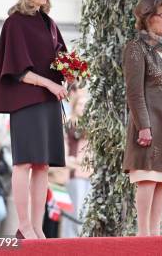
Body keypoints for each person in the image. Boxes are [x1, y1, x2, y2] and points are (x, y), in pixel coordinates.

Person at [0, 0, 68, 239]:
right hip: (26, 102)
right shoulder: (15, 24)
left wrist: (72, 71)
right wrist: (49, 83)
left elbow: (60, 59)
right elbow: (19, 71)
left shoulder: (49, 23)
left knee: (42, 164)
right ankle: (23, 225)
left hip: (47, 102)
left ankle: (36, 227)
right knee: (24, 162)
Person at [123, 0, 162, 236]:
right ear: (148, 18)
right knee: (147, 177)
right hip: (149, 122)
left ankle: (154, 234)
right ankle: (143, 234)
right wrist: (144, 126)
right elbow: (134, 93)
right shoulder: (136, 48)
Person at [62, 93, 92, 237]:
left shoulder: (92, 124)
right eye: (80, 104)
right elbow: (69, 142)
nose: (83, 107)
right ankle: (69, 245)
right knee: (75, 213)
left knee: (85, 213)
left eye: (86, 105)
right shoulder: (71, 123)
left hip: (90, 174)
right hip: (75, 173)